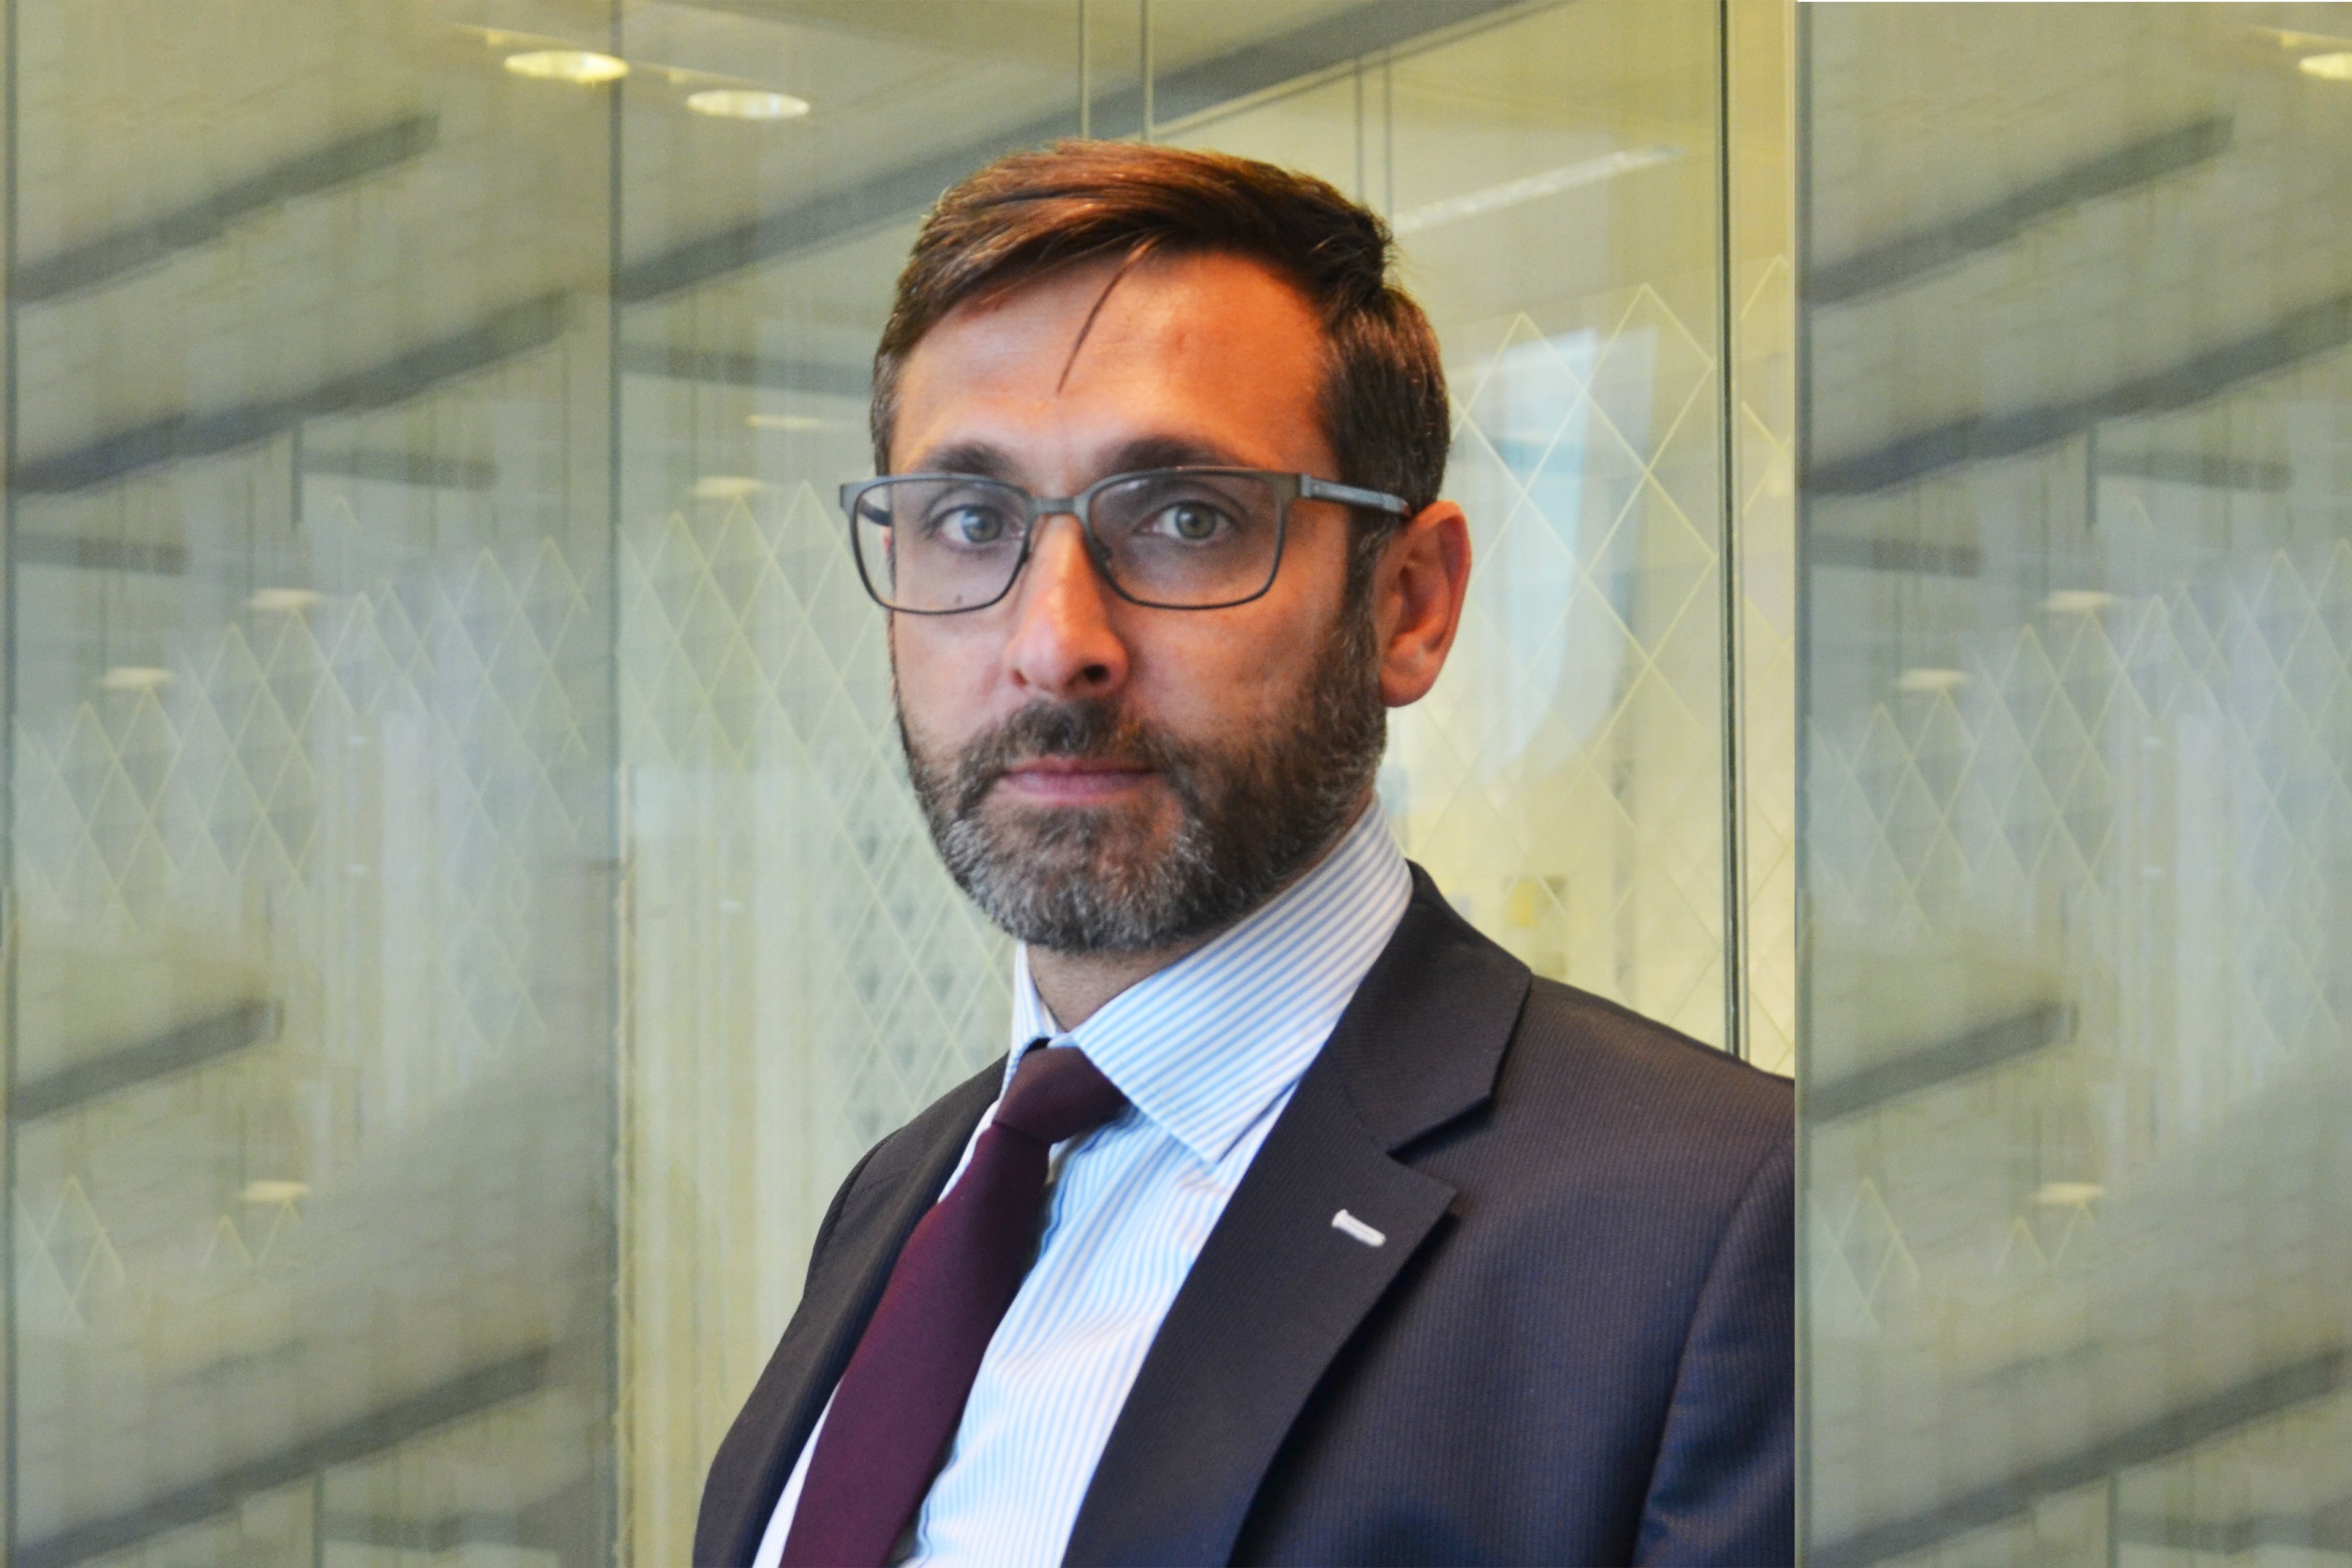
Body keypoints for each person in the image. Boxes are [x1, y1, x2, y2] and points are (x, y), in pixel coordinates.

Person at [696, 141, 1793, 1568]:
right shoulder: (907, 1192)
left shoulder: (1717, 1225)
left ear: (1408, 603)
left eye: (1186, 518)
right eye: (970, 522)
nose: (1054, 642)